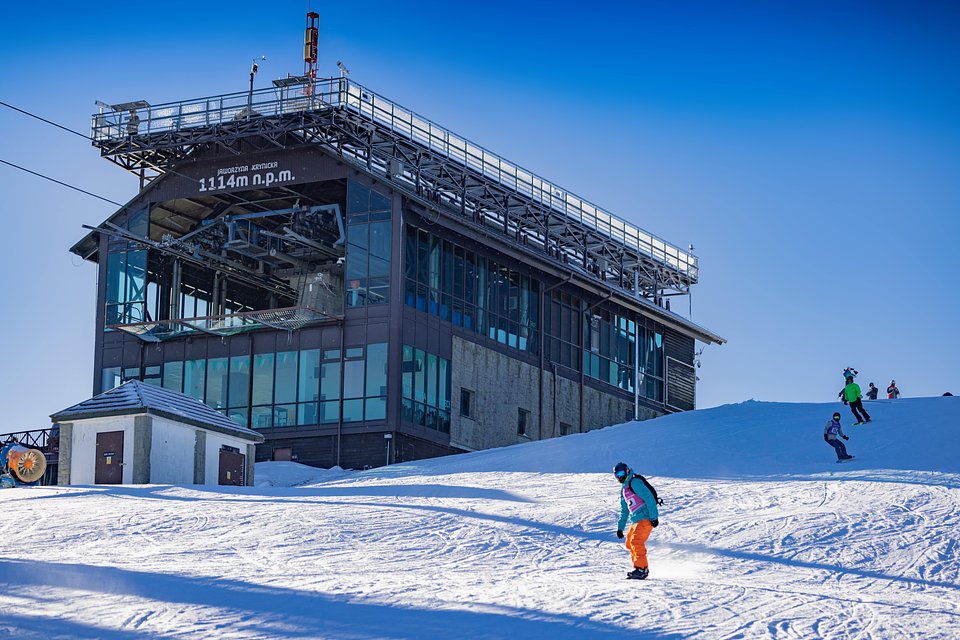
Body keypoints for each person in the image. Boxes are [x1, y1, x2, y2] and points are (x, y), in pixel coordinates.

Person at [614, 462, 660, 580]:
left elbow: (649, 498)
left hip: (645, 517)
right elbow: (624, 510)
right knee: (630, 543)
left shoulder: (635, 482)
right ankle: (641, 568)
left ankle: (641, 569)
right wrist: (620, 528)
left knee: (636, 541)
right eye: (616, 474)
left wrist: (654, 517)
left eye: (621, 473)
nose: (619, 476)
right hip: (636, 519)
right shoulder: (624, 489)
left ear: (627, 471)